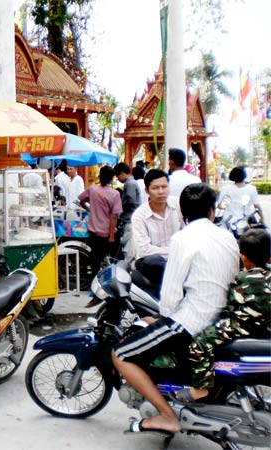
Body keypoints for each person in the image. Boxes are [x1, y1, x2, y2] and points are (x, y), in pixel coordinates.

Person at [112, 183, 239, 435]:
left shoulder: (182, 239)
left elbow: (170, 296)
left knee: (121, 354)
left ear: (182, 215)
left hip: (191, 322)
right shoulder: (227, 236)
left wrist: (159, 321)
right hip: (221, 320)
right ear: (212, 212)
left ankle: (167, 416)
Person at [174, 228, 270, 404]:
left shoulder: (242, 278)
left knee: (200, 343)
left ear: (243, 257)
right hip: (264, 326)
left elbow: (230, 306)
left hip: (242, 325)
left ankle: (201, 388)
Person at [130, 169, 183, 287]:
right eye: (155, 188)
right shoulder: (139, 215)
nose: (161, 192)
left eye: (164, 187)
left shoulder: (178, 205)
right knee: (153, 262)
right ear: (147, 191)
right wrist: (174, 252)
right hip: (151, 264)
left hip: (179, 260)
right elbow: (143, 250)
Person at [78, 165, 122, 274]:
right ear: (112, 178)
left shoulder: (92, 189)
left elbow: (81, 201)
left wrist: (89, 209)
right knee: (115, 259)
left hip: (94, 233)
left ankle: (94, 281)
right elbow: (114, 216)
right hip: (107, 233)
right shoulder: (115, 194)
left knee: (95, 260)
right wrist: (111, 236)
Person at [114, 162, 141, 250]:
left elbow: (130, 200)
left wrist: (120, 207)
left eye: (118, 176)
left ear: (122, 173)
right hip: (130, 217)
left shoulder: (130, 184)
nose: (118, 179)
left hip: (130, 218)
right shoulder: (131, 183)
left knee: (127, 246)